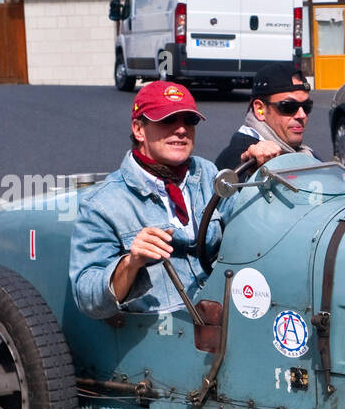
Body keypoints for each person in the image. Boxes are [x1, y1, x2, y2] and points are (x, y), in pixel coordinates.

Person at [70, 81, 221, 319]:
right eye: (168, 120)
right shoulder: (103, 203)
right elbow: (87, 299)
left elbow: (250, 224)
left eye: (189, 121)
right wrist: (131, 263)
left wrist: (263, 172)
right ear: (139, 129)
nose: (181, 130)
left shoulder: (208, 174)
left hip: (222, 320)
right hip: (162, 334)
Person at [214, 62, 318, 171]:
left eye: (306, 106)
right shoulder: (239, 159)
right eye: (288, 106)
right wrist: (251, 169)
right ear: (260, 110)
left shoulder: (307, 154)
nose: (301, 115)